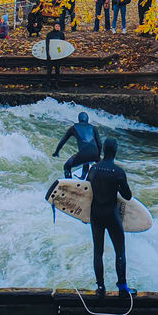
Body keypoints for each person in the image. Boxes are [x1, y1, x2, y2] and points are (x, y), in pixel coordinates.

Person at [86, 137, 136, 299]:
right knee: (119, 251)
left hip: (95, 214)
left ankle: (100, 288)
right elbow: (127, 196)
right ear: (115, 152)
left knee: (98, 251)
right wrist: (119, 185)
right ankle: (122, 288)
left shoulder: (93, 169)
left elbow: (86, 191)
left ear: (103, 150)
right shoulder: (118, 172)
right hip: (111, 214)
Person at [53, 111, 101, 178]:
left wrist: (56, 152)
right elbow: (99, 144)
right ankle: (83, 177)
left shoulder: (73, 128)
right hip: (95, 153)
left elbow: (63, 141)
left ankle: (69, 182)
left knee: (66, 166)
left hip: (84, 154)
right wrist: (98, 157)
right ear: (87, 120)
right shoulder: (93, 128)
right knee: (86, 160)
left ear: (79, 119)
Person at [44, 21, 66, 89]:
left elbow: (63, 44)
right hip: (51, 54)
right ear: (53, 27)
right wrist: (48, 54)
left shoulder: (61, 34)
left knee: (57, 70)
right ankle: (48, 83)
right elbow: (47, 45)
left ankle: (57, 83)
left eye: (58, 26)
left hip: (58, 55)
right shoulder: (49, 34)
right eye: (56, 26)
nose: (57, 27)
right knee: (49, 70)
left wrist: (61, 54)